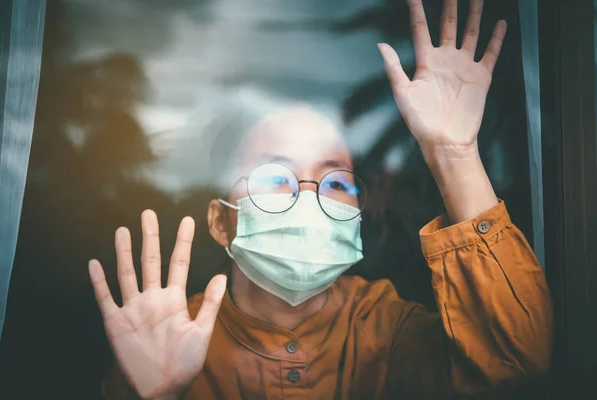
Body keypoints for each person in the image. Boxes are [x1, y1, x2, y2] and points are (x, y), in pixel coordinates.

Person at [90, 0, 553, 399]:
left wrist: (454, 154)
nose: (309, 199)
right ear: (220, 221)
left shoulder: (387, 329)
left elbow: (515, 358)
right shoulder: (168, 336)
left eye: (335, 183)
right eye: (276, 176)